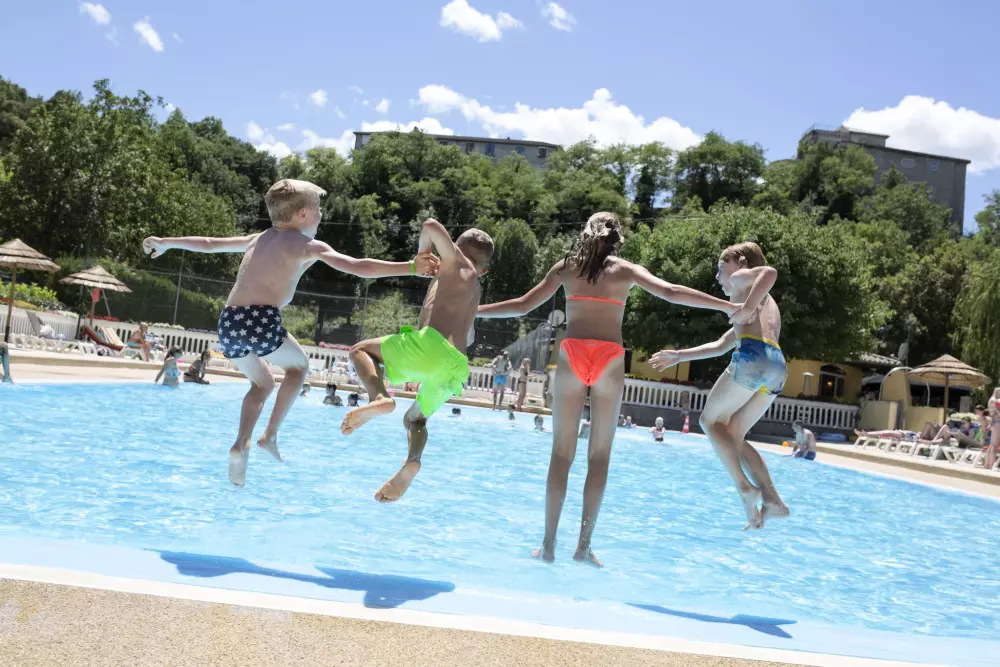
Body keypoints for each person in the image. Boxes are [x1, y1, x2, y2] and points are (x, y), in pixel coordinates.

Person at [478, 211, 737, 567]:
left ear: (586, 232)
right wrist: (726, 305)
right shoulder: (625, 270)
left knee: (561, 455)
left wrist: (474, 310)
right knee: (598, 456)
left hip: (572, 352)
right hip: (609, 357)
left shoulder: (566, 267)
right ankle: (583, 547)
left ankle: (549, 545)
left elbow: (523, 304)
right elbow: (671, 292)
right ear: (617, 238)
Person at [143, 179, 439, 488]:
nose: (321, 215)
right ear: (301, 215)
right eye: (318, 210)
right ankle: (269, 435)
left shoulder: (257, 238)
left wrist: (165, 242)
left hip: (228, 320)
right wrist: (409, 267)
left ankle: (240, 443)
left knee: (262, 383)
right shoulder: (307, 245)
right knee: (299, 367)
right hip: (261, 318)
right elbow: (356, 266)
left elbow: (208, 243)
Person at [342, 218, 493, 503]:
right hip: (457, 367)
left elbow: (432, 225)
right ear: (484, 269)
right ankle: (412, 459)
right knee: (416, 419)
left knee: (359, 351)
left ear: (456, 250)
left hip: (431, 345)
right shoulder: (475, 289)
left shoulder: (458, 261)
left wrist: (423, 254)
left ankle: (378, 397)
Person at [651, 241, 788, 530]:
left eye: (720, 268)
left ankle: (745, 488)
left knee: (708, 420)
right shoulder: (768, 304)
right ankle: (773, 500)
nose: (717, 277)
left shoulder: (743, 280)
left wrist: (744, 307)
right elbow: (720, 345)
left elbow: (771, 272)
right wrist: (679, 356)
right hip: (776, 367)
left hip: (754, 358)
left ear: (740, 263)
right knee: (733, 436)